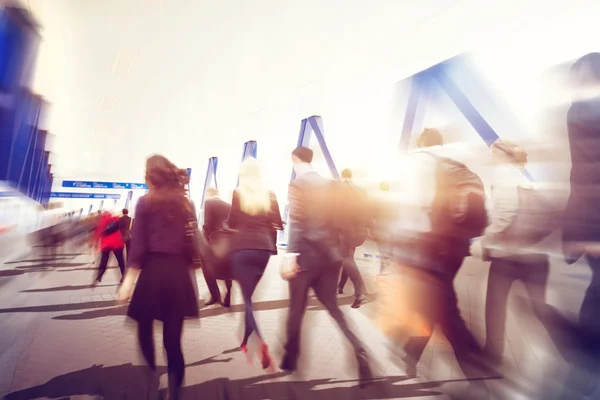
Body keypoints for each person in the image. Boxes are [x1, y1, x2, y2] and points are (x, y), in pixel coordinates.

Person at [396, 128, 489, 398]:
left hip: (431, 247)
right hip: (457, 249)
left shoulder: (424, 164)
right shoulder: (461, 167)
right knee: (438, 302)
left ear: (422, 144)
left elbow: (417, 205)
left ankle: (476, 370)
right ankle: (412, 350)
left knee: (447, 311)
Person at [280, 146, 372, 383]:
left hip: (305, 258)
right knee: (333, 308)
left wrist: (290, 256)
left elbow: (297, 222)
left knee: (296, 310)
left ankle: (291, 359)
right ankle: (359, 348)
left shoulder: (298, 185)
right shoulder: (331, 184)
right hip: (330, 258)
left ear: (294, 159)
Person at [118, 155, 199, 400]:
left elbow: (139, 246)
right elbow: (192, 244)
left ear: (150, 176)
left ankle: (152, 378)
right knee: (173, 341)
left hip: (152, 273)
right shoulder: (187, 204)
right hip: (178, 275)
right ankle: (175, 392)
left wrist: (128, 283)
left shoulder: (145, 202)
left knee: (144, 329)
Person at [470, 140, 552, 367]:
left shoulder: (503, 174)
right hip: (534, 254)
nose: (491, 157)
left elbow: (507, 211)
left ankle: (493, 353)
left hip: (508, 255)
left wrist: (489, 236)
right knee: (538, 308)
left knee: (494, 304)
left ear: (503, 154)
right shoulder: (522, 177)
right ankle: (572, 346)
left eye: (493, 153)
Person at [226, 157, 283, 369]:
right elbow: (277, 221)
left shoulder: (238, 192)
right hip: (264, 250)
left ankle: (260, 344)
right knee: (249, 297)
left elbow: (231, 220)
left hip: (242, 248)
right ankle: (244, 340)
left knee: (247, 301)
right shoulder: (270, 194)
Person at [337, 168, 368, 309]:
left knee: (347, 259)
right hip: (358, 232)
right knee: (348, 258)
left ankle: (360, 293)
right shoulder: (361, 190)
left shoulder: (338, 188)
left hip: (344, 230)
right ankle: (340, 286)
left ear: (342, 176)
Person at [202, 187, 233, 307]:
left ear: (209, 194)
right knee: (226, 269)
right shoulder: (228, 205)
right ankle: (228, 294)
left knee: (207, 268)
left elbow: (207, 222)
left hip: (213, 241)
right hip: (226, 242)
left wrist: (204, 238)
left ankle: (215, 296)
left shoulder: (208, 202)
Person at [93, 211, 126, 285]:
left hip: (106, 244)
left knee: (104, 261)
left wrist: (95, 242)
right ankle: (124, 275)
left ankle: (100, 275)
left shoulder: (102, 222)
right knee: (121, 261)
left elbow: (98, 232)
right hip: (117, 243)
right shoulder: (116, 219)